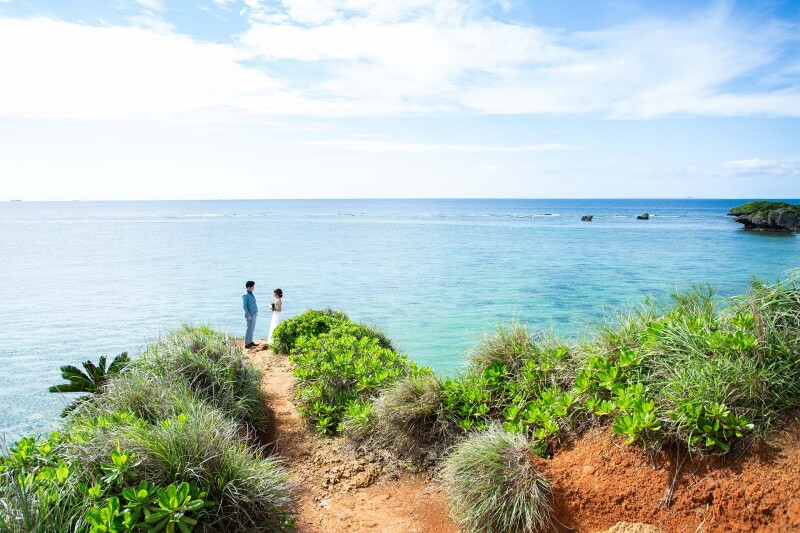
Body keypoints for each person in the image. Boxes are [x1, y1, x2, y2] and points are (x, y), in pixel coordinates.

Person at [242, 281, 258, 348]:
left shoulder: (251, 293)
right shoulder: (245, 295)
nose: (253, 288)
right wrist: (249, 315)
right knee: (249, 328)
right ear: (249, 287)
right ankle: (247, 344)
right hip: (250, 315)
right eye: (253, 287)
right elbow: (244, 306)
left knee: (252, 328)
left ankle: (251, 342)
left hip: (254, 313)